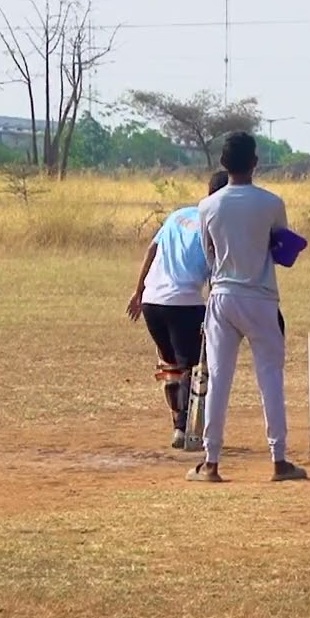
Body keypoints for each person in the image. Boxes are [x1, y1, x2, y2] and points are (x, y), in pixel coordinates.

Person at [187, 132, 305, 483]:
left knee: (219, 379)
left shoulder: (207, 206)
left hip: (222, 296)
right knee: (270, 378)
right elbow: (282, 248)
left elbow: (209, 254)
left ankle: (210, 462)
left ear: (223, 164)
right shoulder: (271, 202)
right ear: (254, 163)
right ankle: (279, 461)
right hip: (261, 296)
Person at [126, 174, 215, 449]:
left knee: (170, 366)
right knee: (195, 366)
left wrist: (139, 290)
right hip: (185, 302)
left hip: (153, 301)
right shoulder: (214, 224)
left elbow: (152, 250)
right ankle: (186, 428)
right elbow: (217, 269)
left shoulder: (178, 216)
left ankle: (178, 425)